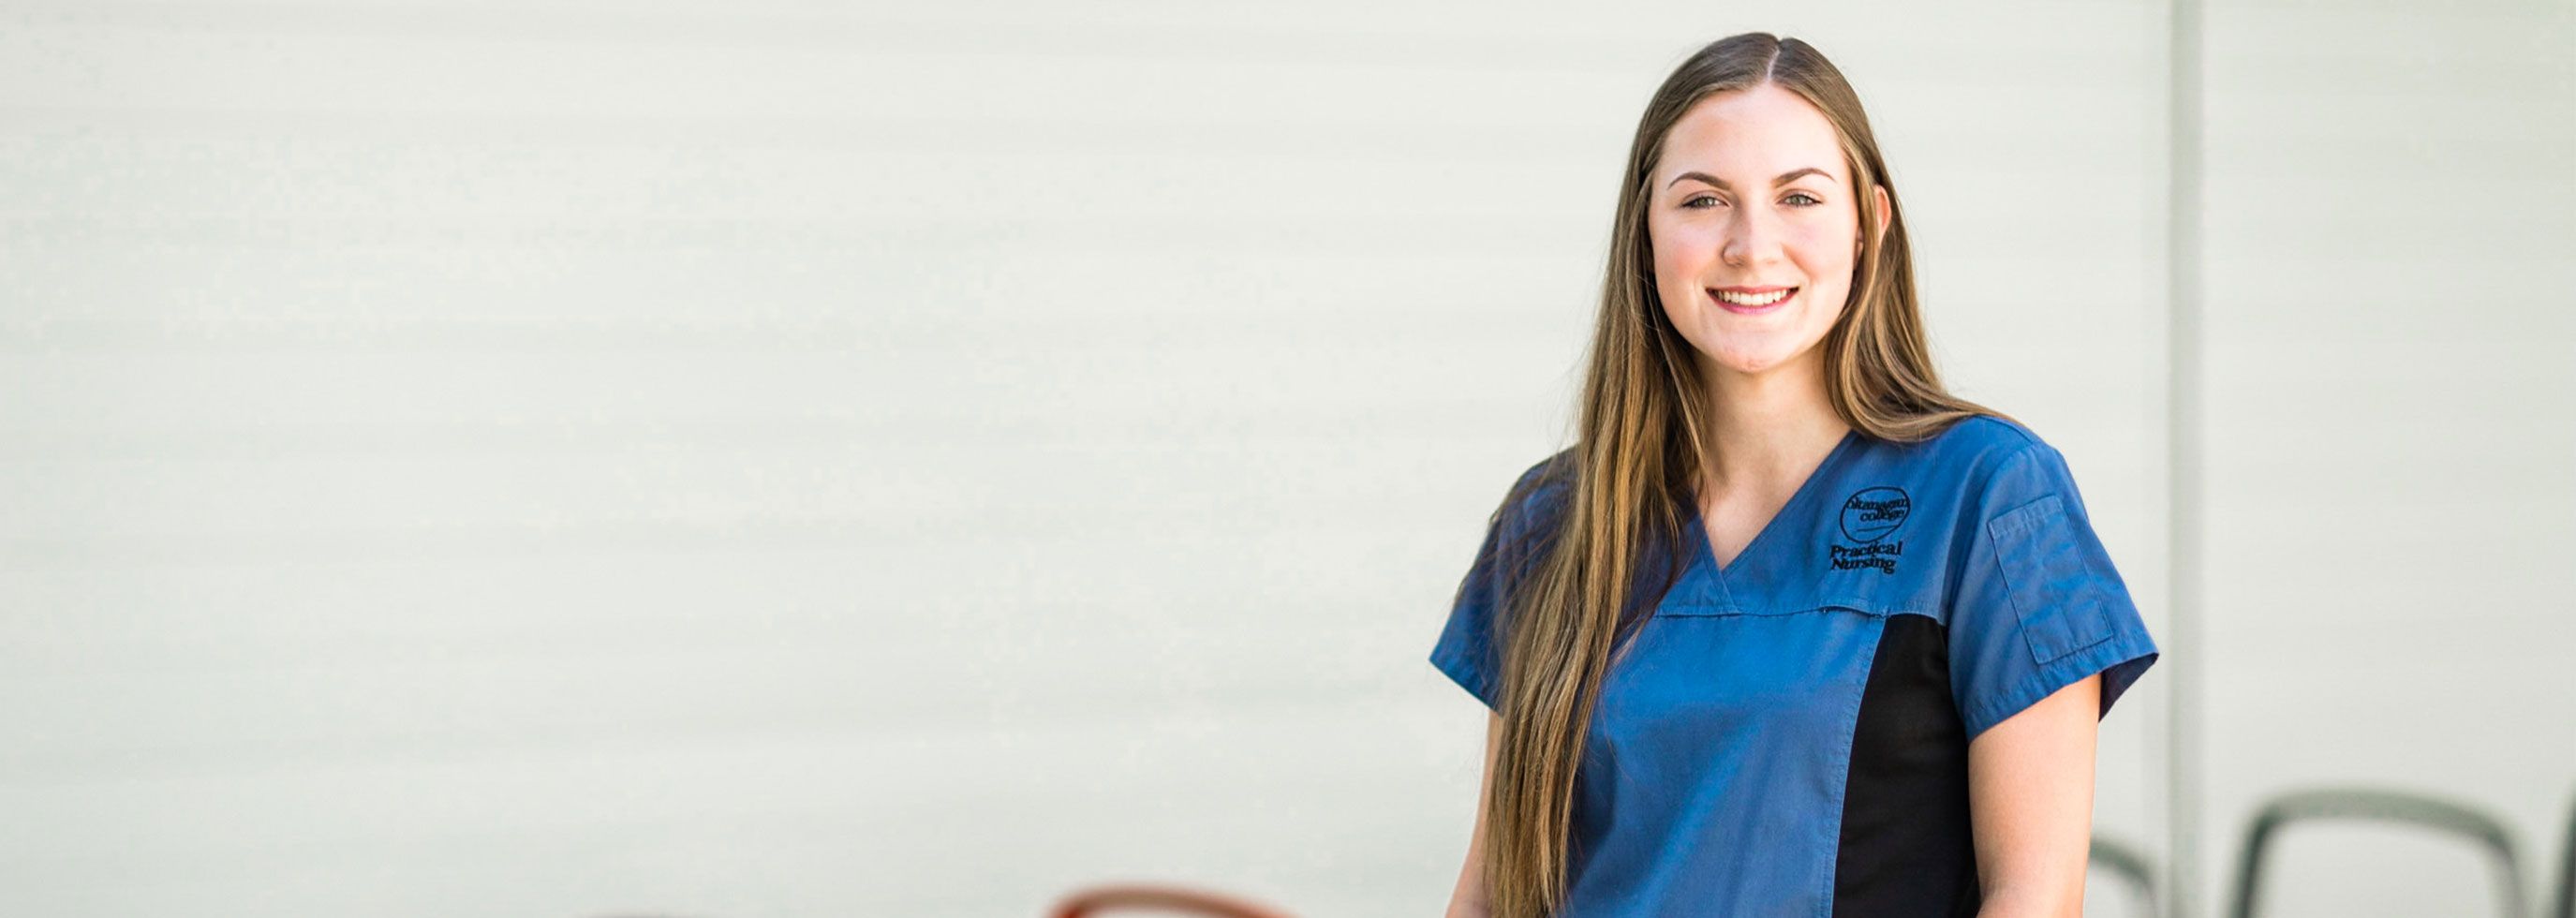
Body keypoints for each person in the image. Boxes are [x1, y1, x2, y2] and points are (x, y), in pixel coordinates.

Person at [1428, 32, 2161, 918]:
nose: (1751, 244)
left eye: (1799, 197)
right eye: (1703, 200)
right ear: (1645, 230)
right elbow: (1493, 890)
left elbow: (2033, 898)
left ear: (1869, 227)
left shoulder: (1988, 496)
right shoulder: (1552, 521)